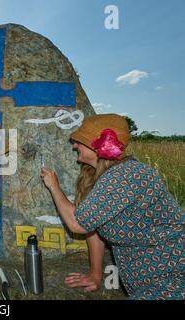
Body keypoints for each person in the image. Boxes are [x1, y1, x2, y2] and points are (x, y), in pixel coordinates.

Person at [40, 114, 184, 300]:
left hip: (173, 275)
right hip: (148, 280)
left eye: (80, 141)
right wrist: (95, 274)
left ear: (99, 145)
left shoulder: (127, 174)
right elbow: (93, 225)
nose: (75, 146)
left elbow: (78, 223)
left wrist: (54, 186)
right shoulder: (98, 175)